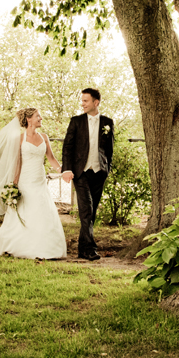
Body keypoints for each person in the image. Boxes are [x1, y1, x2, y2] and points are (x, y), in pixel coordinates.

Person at [0, 107, 68, 259]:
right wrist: (14, 185)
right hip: (25, 180)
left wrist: (63, 170)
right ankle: (19, 246)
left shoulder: (44, 137)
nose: (40, 119)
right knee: (25, 209)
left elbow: (51, 159)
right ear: (28, 119)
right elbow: (17, 163)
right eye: (38, 116)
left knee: (43, 210)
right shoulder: (19, 139)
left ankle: (46, 248)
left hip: (40, 180)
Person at [61, 88, 114, 261]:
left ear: (96, 103)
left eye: (86, 101)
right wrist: (67, 169)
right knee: (86, 210)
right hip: (81, 172)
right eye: (82, 100)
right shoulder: (76, 121)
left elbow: (109, 149)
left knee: (92, 212)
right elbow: (67, 147)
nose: (82, 104)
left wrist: (107, 169)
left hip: (99, 172)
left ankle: (82, 249)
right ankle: (90, 249)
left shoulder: (108, 122)